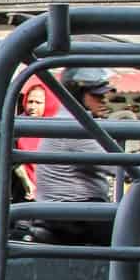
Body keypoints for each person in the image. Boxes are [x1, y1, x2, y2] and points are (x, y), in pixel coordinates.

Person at [30, 68, 116, 246]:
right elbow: (120, 166)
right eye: (97, 95)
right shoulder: (75, 127)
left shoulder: (70, 120)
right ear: (78, 94)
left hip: (72, 211)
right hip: (73, 214)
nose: (104, 100)